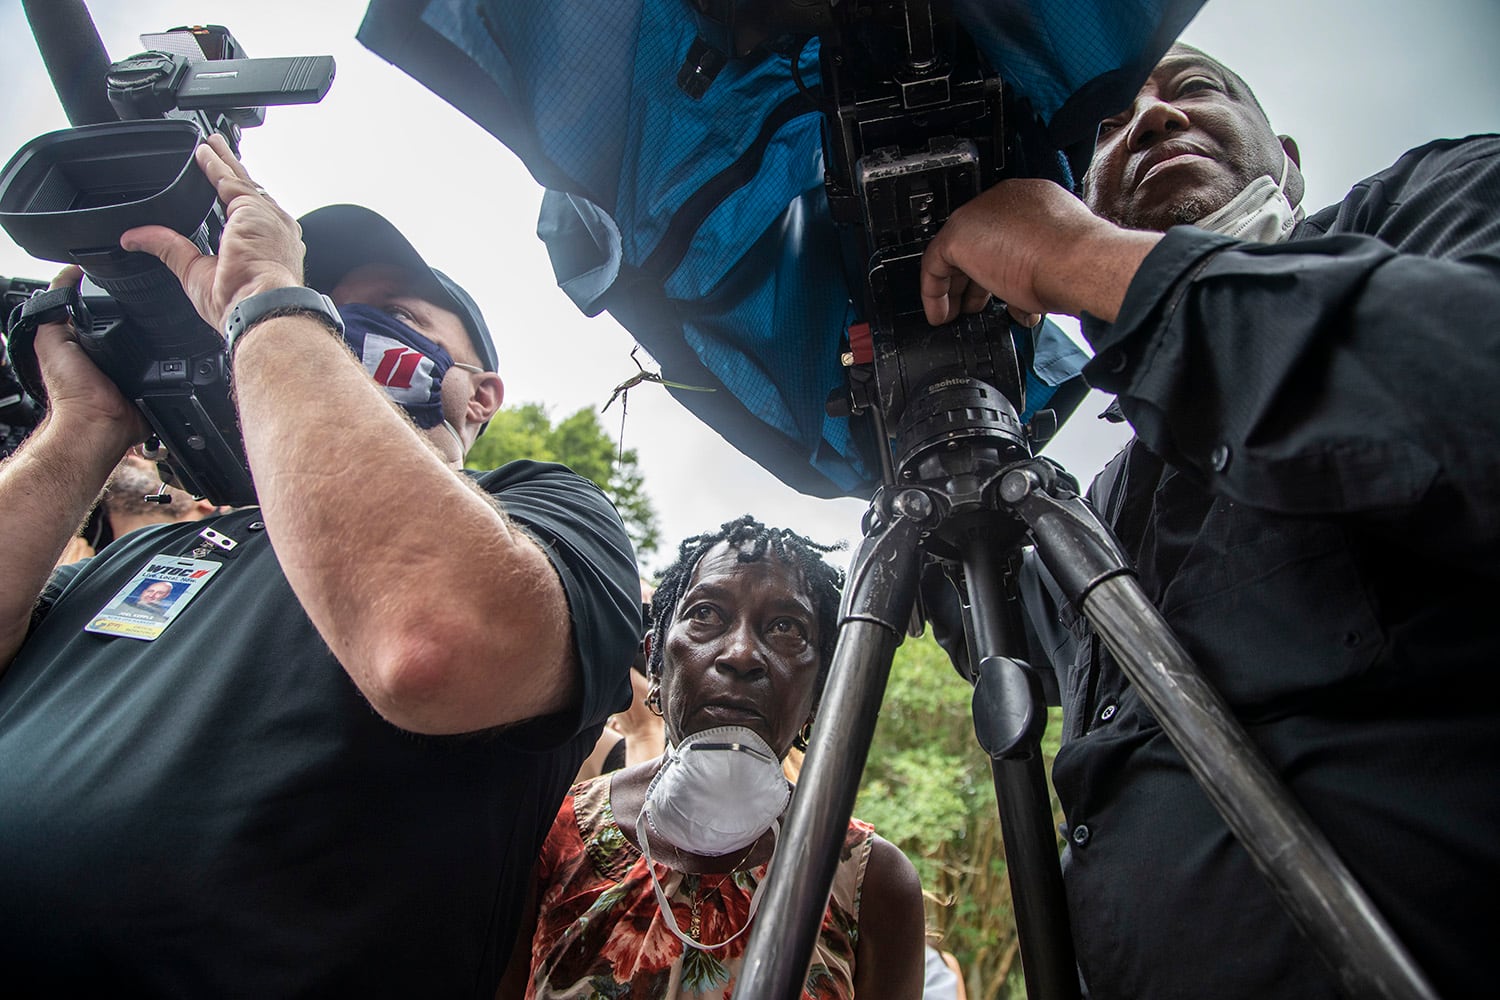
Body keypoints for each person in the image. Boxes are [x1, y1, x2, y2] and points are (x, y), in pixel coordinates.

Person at [916, 42, 1499, 1000]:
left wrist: (1084, 261)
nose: (1150, 117)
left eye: (1194, 90)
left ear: (1292, 156)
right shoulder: (1107, 501)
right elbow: (990, 622)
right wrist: (923, 428)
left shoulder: (1436, 203)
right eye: (1109, 124)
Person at [0, 133, 641, 994]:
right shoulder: (163, 544)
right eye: (325, 310)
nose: (334, 330)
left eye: (398, 317)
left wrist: (271, 295)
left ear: (481, 393)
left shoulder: (542, 511)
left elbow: (430, 643)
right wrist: (85, 424)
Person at [500, 515, 927, 999]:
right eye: (705, 614)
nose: (742, 653)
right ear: (656, 661)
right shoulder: (548, 838)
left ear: (821, 692)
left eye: (786, 627)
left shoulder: (872, 883)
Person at [55, 451, 219, 567]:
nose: (143, 451)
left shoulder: (217, 565)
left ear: (208, 502)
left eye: (164, 459)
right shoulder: (75, 566)